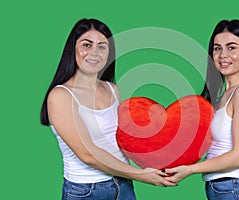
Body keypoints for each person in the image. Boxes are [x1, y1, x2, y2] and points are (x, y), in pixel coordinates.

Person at [40, 18, 176, 200]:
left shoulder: (112, 89)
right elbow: (87, 154)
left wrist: (158, 157)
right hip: (86, 191)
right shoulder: (61, 96)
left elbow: (121, 141)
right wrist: (141, 175)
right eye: (87, 45)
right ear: (73, 49)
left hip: (124, 186)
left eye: (102, 47)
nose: (94, 52)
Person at [165, 19, 239, 199]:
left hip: (238, 188)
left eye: (231, 47)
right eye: (217, 48)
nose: (223, 55)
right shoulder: (225, 94)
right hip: (229, 189)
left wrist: (191, 170)